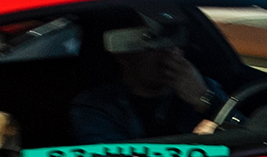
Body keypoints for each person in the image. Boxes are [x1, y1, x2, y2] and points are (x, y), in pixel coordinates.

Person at [70, 23, 224, 144]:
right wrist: (195, 144)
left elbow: (245, 132)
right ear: (124, 56)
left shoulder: (203, 87)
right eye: (152, 44)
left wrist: (205, 101)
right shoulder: (96, 105)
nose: (168, 52)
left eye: (173, 41)